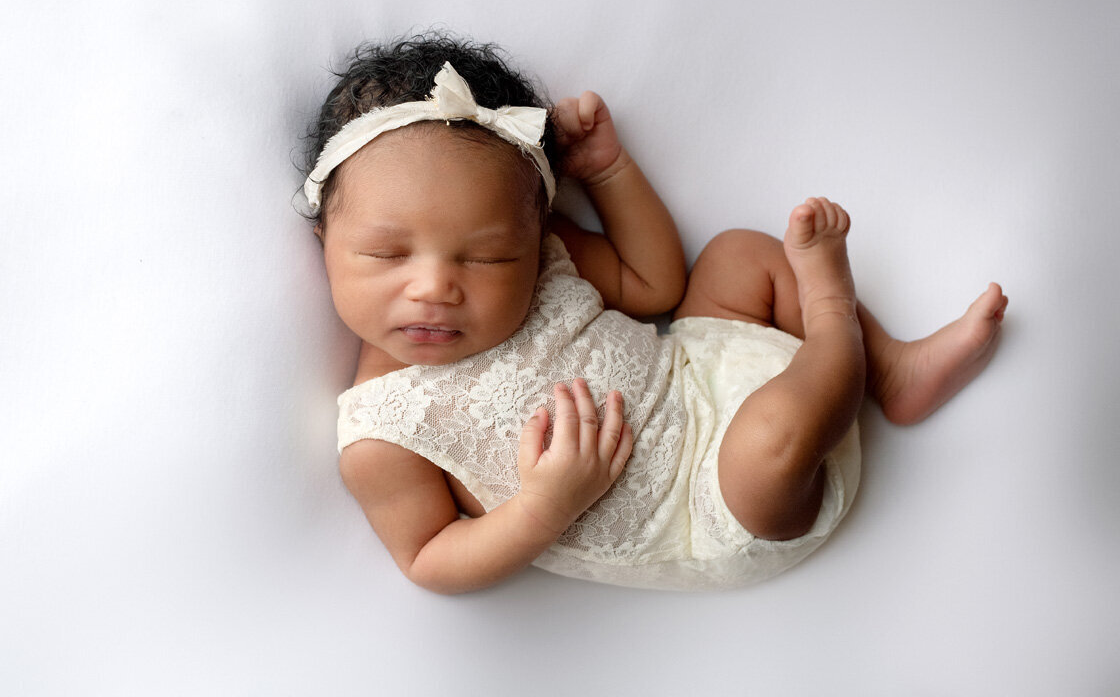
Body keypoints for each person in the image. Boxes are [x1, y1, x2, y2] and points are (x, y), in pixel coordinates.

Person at [301, 33, 1008, 593]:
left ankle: (889, 370)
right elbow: (429, 558)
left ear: (532, 232)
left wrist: (609, 174)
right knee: (769, 442)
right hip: (715, 510)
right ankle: (833, 318)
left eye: (486, 258)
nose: (434, 288)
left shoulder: (548, 254)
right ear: (324, 239)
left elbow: (656, 284)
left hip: (702, 371)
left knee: (737, 255)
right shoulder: (380, 432)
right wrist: (543, 506)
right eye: (389, 255)